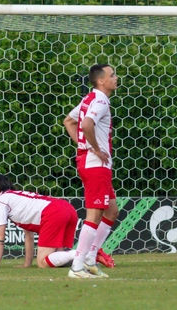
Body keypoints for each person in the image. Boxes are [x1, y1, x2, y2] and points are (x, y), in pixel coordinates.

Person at [63, 64, 119, 278]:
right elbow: (87, 124)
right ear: (101, 81)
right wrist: (94, 148)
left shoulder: (88, 98)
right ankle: (77, 266)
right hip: (95, 163)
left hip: (93, 162)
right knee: (95, 213)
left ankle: (89, 257)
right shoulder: (101, 100)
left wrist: (82, 146)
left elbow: (69, 121)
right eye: (112, 75)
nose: (116, 77)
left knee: (111, 211)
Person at [0, 174, 77, 269]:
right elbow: (29, 235)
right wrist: (27, 264)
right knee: (56, 258)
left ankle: (79, 253)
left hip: (54, 212)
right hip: (67, 208)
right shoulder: (16, 196)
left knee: (42, 263)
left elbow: (0, 235)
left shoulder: (1, 200)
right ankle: (82, 259)